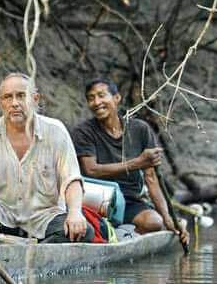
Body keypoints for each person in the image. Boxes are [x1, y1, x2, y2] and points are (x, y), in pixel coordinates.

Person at [0, 72, 90, 243]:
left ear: (35, 99)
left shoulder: (55, 131)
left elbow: (72, 180)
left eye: (21, 96)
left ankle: (34, 252)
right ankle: (3, 244)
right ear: (0, 102)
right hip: (1, 215)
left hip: (43, 218)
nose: (15, 103)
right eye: (7, 97)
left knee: (81, 232)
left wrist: (75, 213)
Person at [71, 78, 188, 244]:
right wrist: (137, 163)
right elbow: (91, 170)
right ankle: (117, 234)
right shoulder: (83, 132)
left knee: (155, 222)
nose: (96, 102)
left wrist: (168, 218)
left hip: (130, 201)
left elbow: (151, 178)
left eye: (101, 95)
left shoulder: (140, 129)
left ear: (117, 98)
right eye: (91, 98)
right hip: (95, 201)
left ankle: (126, 235)